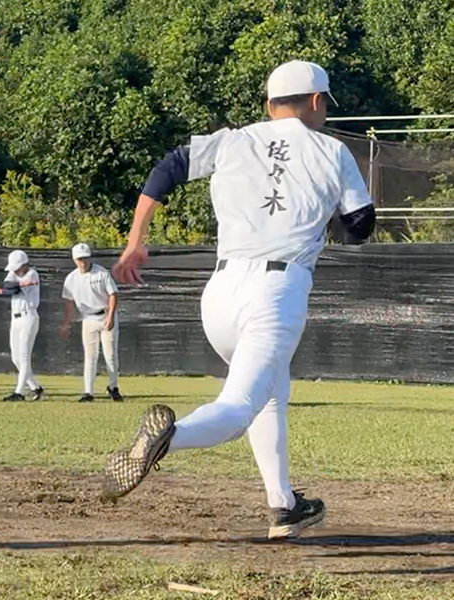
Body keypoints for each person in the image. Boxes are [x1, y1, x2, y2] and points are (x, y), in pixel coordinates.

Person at [102, 61, 376, 540]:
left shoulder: (234, 139)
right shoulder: (333, 152)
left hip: (221, 291)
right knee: (240, 405)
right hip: (275, 291)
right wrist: (326, 217)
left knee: (272, 392)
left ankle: (283, 505)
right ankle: (168, 439)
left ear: (270, 106)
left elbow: (168, 167)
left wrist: (134, 240)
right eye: (325, 103)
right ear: (316, 101)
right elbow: (360, 225)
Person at [59, 243, 121, 402]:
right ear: (74, 260)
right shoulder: (71, 279)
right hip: (88, 319)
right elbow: (68, 301)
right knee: (90, 356)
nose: (83, 262)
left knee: (110, 355)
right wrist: (67, 322)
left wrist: (111, 316)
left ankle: (113, 387)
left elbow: (113, 294)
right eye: (80, 259)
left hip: (105, 315)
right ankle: (88, 392)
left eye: (86, 258)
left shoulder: (101, 273)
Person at [0, 250, 44, 402]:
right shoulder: (15, 274)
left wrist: (5, 289)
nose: (14, 270)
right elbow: (8, 285)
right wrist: (18, 284)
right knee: (15, 357)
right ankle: (35, 387)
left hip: (29, 315)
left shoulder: (32, 273)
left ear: (24, 264)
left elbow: (12, 290)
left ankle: (19, 392)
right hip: (16, 317)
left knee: (24, 356)